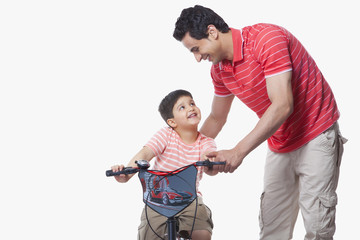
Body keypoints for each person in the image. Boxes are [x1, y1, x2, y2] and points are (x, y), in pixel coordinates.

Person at [173, 5, 347, 240]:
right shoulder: (220, 71)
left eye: (196, 48)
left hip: (315, 134)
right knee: (272, 229)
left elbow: (282, 105)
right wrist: (190, 155)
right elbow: (217, 118)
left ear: (212, 32)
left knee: (317, 229)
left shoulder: (266, 39)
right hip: (280, 142)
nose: (197, 58)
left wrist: (237, 152)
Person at [110, 89, 218, 240]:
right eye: (182, 107)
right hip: (158, 199)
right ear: (172, 122)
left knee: (202, 231)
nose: (190, 108)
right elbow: (144, 155)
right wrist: (125, 174)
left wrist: (210, 162)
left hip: (189, 199)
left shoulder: (206, 142)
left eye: (192, 103)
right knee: (149, 233)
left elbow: (209, 159)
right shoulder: (166, 135)